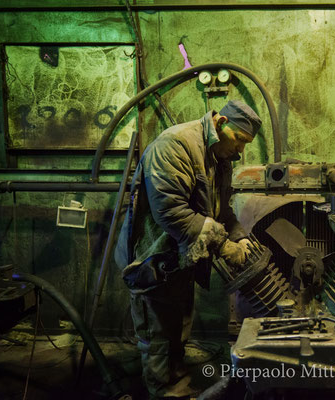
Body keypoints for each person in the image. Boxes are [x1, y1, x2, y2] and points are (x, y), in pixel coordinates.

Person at [114, 100, 261, 399]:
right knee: (159, 339)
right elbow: (171, 212)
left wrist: (240, 237)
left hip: (179, 261)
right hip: (153, 261)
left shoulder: (220, 158)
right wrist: (223, 245)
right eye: (240, 140)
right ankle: (166, 391)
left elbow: (220, 209)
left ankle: (175, 384)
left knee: (177, 332)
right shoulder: (175, 146)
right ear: (220, 123)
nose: (241, 150)